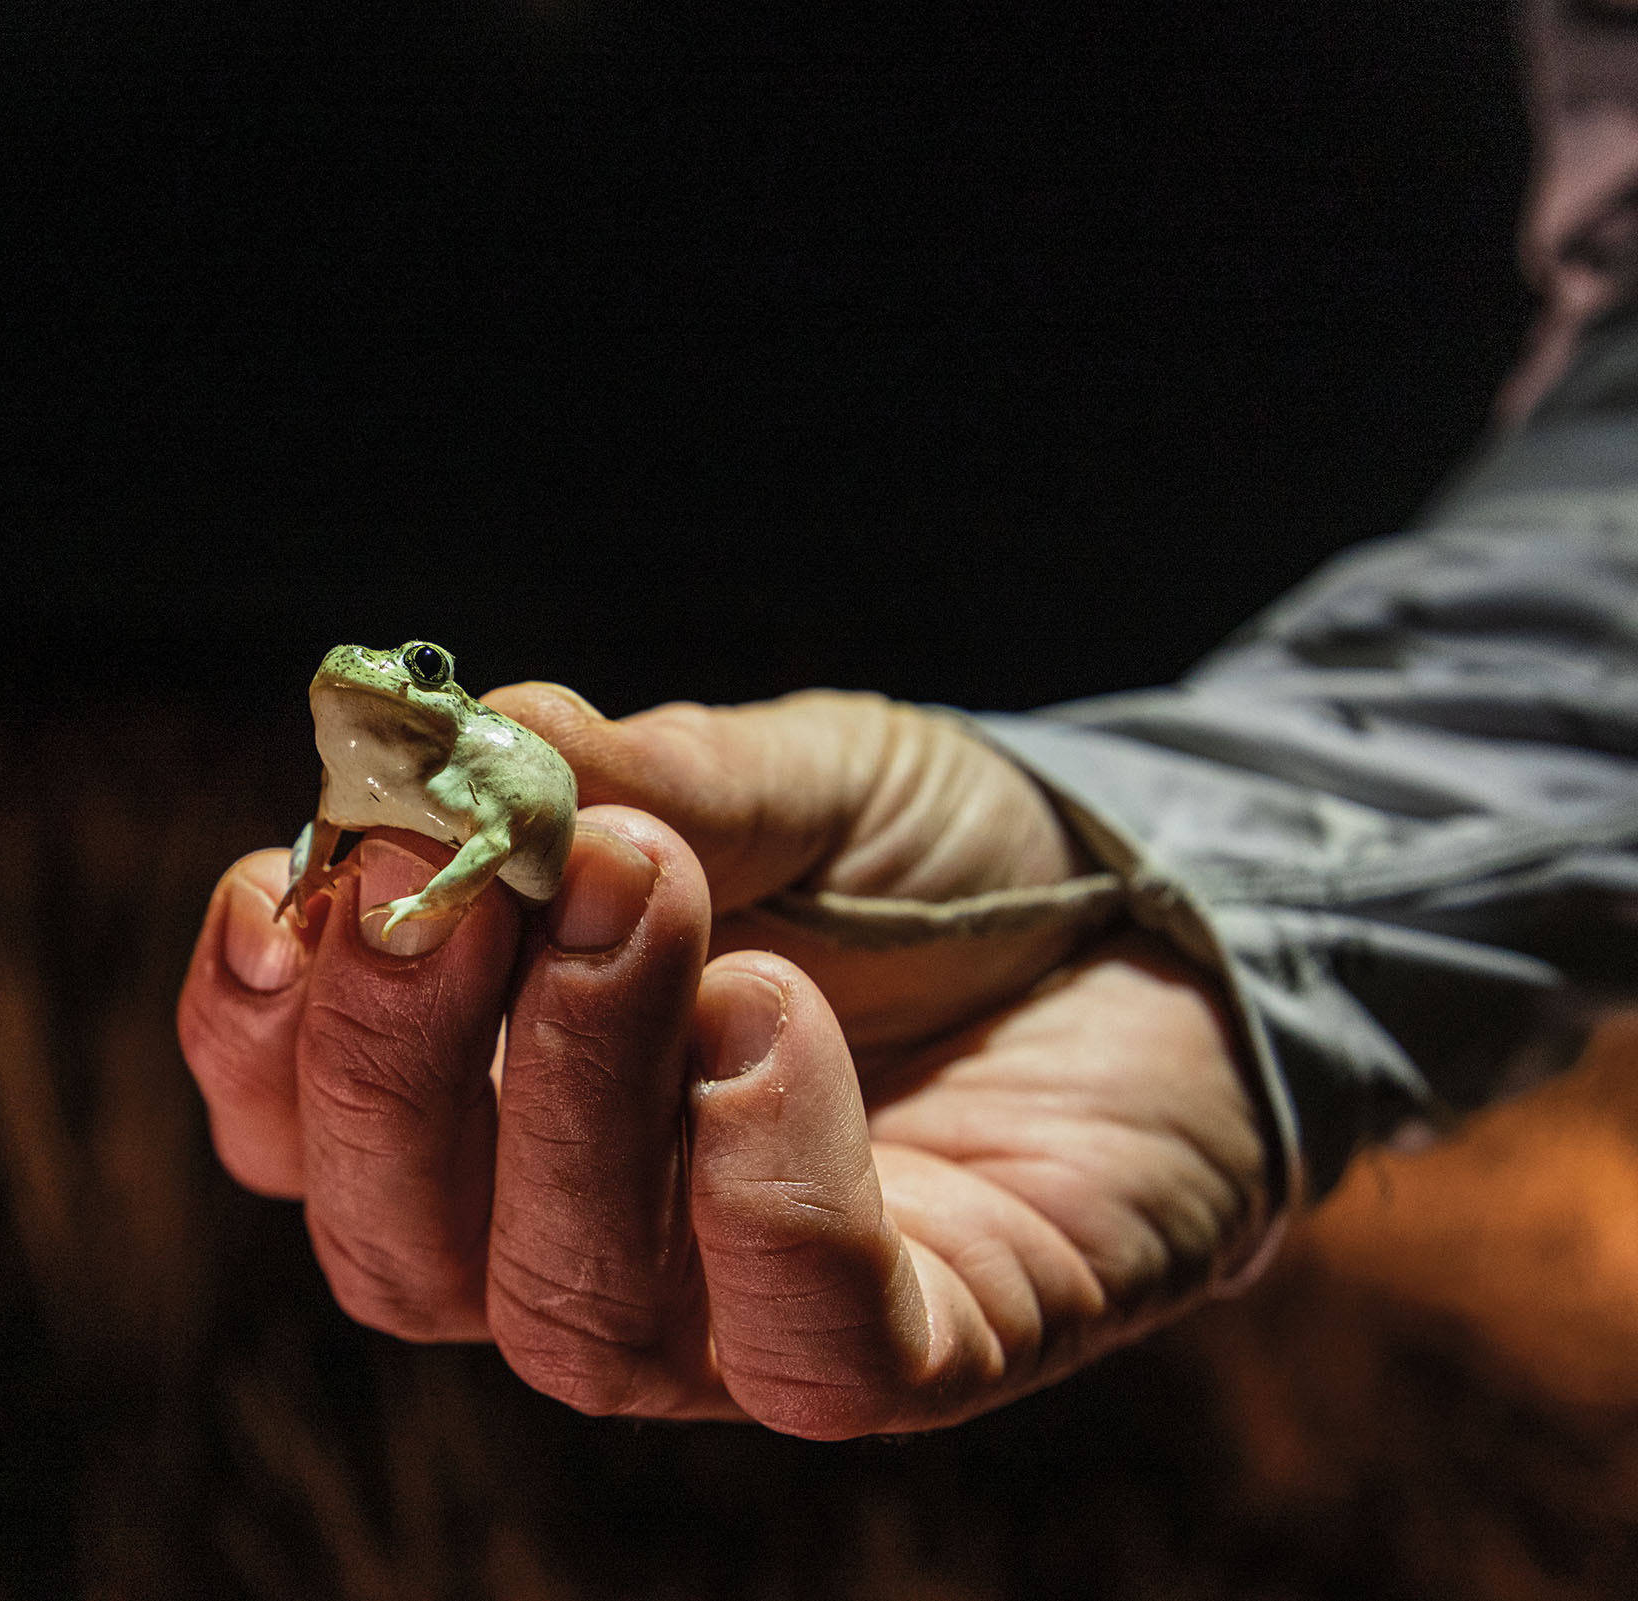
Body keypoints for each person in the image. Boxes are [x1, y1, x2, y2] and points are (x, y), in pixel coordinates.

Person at [177, 0, 1638, 1440]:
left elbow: (496, 819)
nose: (384, 683)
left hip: (549, 854)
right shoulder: (355, 747)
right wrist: (1231, 921)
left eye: (413, 665)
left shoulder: (468, 743)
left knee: (616, 919)